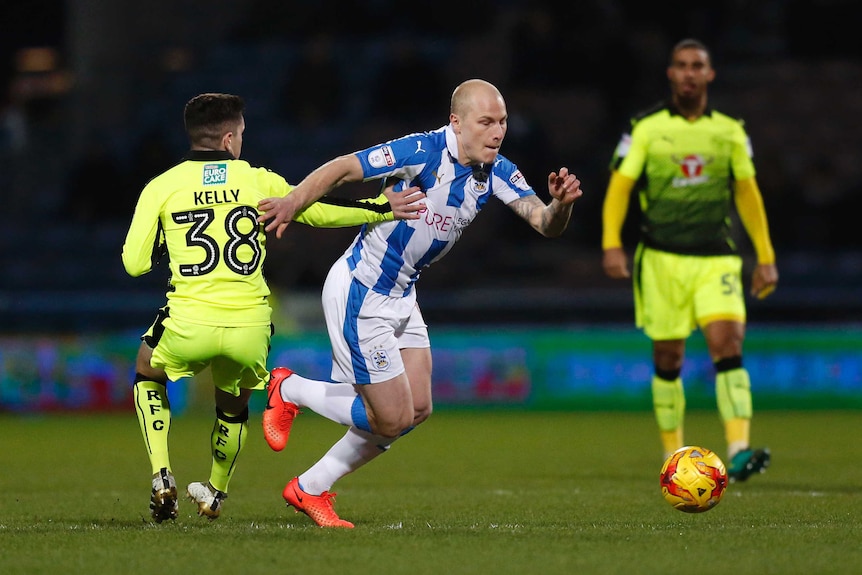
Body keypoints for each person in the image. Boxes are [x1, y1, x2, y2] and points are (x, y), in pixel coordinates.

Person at [257, 78, 584, 528]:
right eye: (486, 122)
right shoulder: (419, 152)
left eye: (502, 122)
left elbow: (545, 224)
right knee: (389, 419)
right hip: (362, 291)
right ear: (456, 122)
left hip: (404, 294)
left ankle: (309, 488)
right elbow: (342, 167)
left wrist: (560, 205)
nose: (497, 132)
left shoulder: (499, 171)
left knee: (417, 410)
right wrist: (294, 200)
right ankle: (289, 388)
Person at [121, 92, 424, 523]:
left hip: (189, 319)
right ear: (229, 139)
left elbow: (134, 264)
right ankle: (215, 492)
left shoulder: (162, 186)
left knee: (147, 371)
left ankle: (160, 473)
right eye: (241, 133)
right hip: (249, 324)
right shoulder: (257, 180)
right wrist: (379, 209)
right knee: (233, 407)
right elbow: (315, 212)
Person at [600, 39, 779, 481]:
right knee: (669, 357)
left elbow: (747, 194)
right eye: (681, 65)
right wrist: (611, 243)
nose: (689, 73)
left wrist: (766, 255)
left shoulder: (730, 130)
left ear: (710, 74)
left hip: (716, 258)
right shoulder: (646, 127)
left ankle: (738, 450)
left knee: (728, 345)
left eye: (697, 65)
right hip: (661, 259)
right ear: (670, 74)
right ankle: (673, 456)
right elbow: (620, 187)